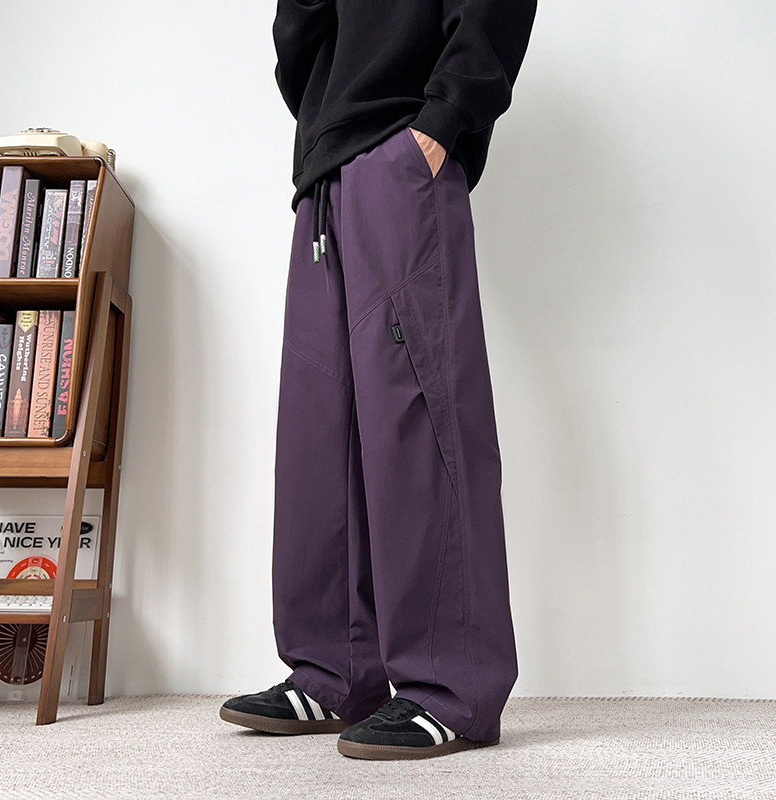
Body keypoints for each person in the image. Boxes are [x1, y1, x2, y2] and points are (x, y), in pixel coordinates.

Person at [220, 0, 538, 760]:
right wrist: (322, 128)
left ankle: (450, 687)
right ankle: (334, 671)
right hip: (325, 173)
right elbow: (299, 28)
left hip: (404, 144)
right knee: (319, 434)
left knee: (421, 422)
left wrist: (442, 120)